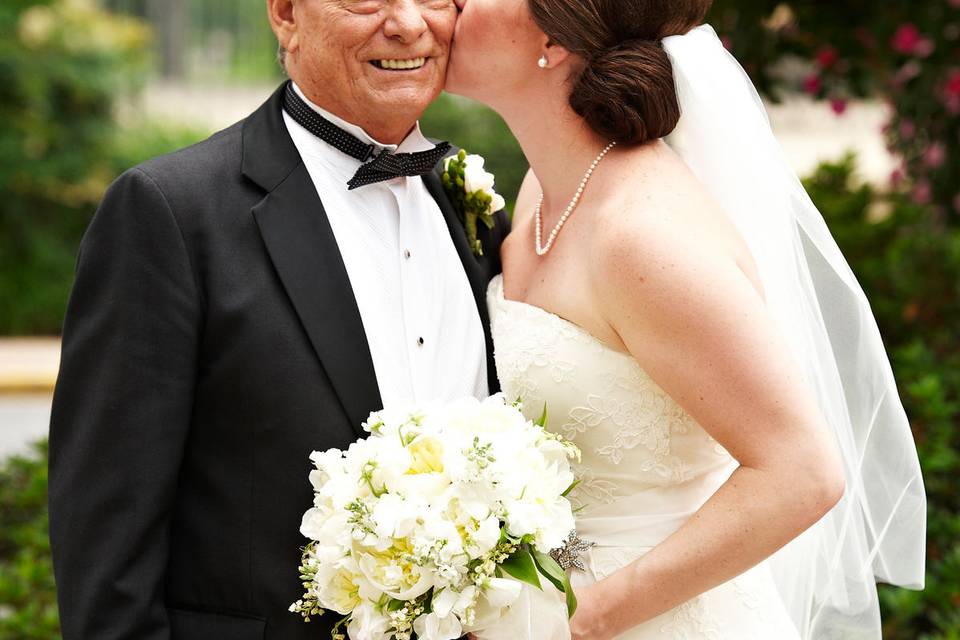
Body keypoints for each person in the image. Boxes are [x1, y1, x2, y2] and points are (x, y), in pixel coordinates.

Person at [448, 0, 927, 638]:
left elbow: (802, 471)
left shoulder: (641, 236)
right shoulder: (545, 188)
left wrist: (584, 620)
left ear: (551, 38)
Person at [47, 1, 508, 638]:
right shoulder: (170, 213)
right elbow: (107, 551)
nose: (407, 23)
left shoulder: (475, 212)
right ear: (286, 14)